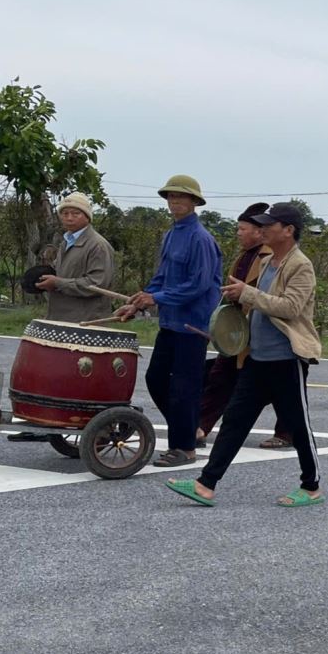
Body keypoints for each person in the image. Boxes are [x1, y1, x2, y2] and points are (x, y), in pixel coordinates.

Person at [165, 203, 324, 508]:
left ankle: (312, 485)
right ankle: (205, 484)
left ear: (288, 231)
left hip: (286, 359)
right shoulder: (267, 263)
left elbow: (290, 307)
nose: (262, 229)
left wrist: (247, 293)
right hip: (258, 358)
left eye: (269, 225)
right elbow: (258, 308)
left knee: (297, 425)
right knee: (234, 421)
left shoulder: (300, 265)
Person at [116, 175, 222, 468]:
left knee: (184, 388)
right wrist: (140, 301)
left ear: (194, 202)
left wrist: (158, 298)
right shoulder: (171, 234)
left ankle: (184, 447)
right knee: (156, 379)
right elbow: (162, 278)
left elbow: (199, 285)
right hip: (170, 322)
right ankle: (188, 429)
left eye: (181, 197)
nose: (175, 202)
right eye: (171, 197)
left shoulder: (201, 239)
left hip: (192, 325)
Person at [196, 203, 279, 448]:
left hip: (263, 331)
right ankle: (201, 426)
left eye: (242, 229)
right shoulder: (243, 256)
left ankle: (286, 432)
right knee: (220, 377)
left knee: (278, 385)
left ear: (258, 231)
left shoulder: (271, 258)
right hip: (237, 331)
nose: (238, 233)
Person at [34, 192, 117, 324]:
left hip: (87, 321)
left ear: (87, 217)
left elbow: (97, 284)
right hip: (62, 317)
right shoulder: (66, 241)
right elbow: (59, 274)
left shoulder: (98, 245)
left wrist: (58, 283)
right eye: (65, 214)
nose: (69, 218)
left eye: (75, 214)